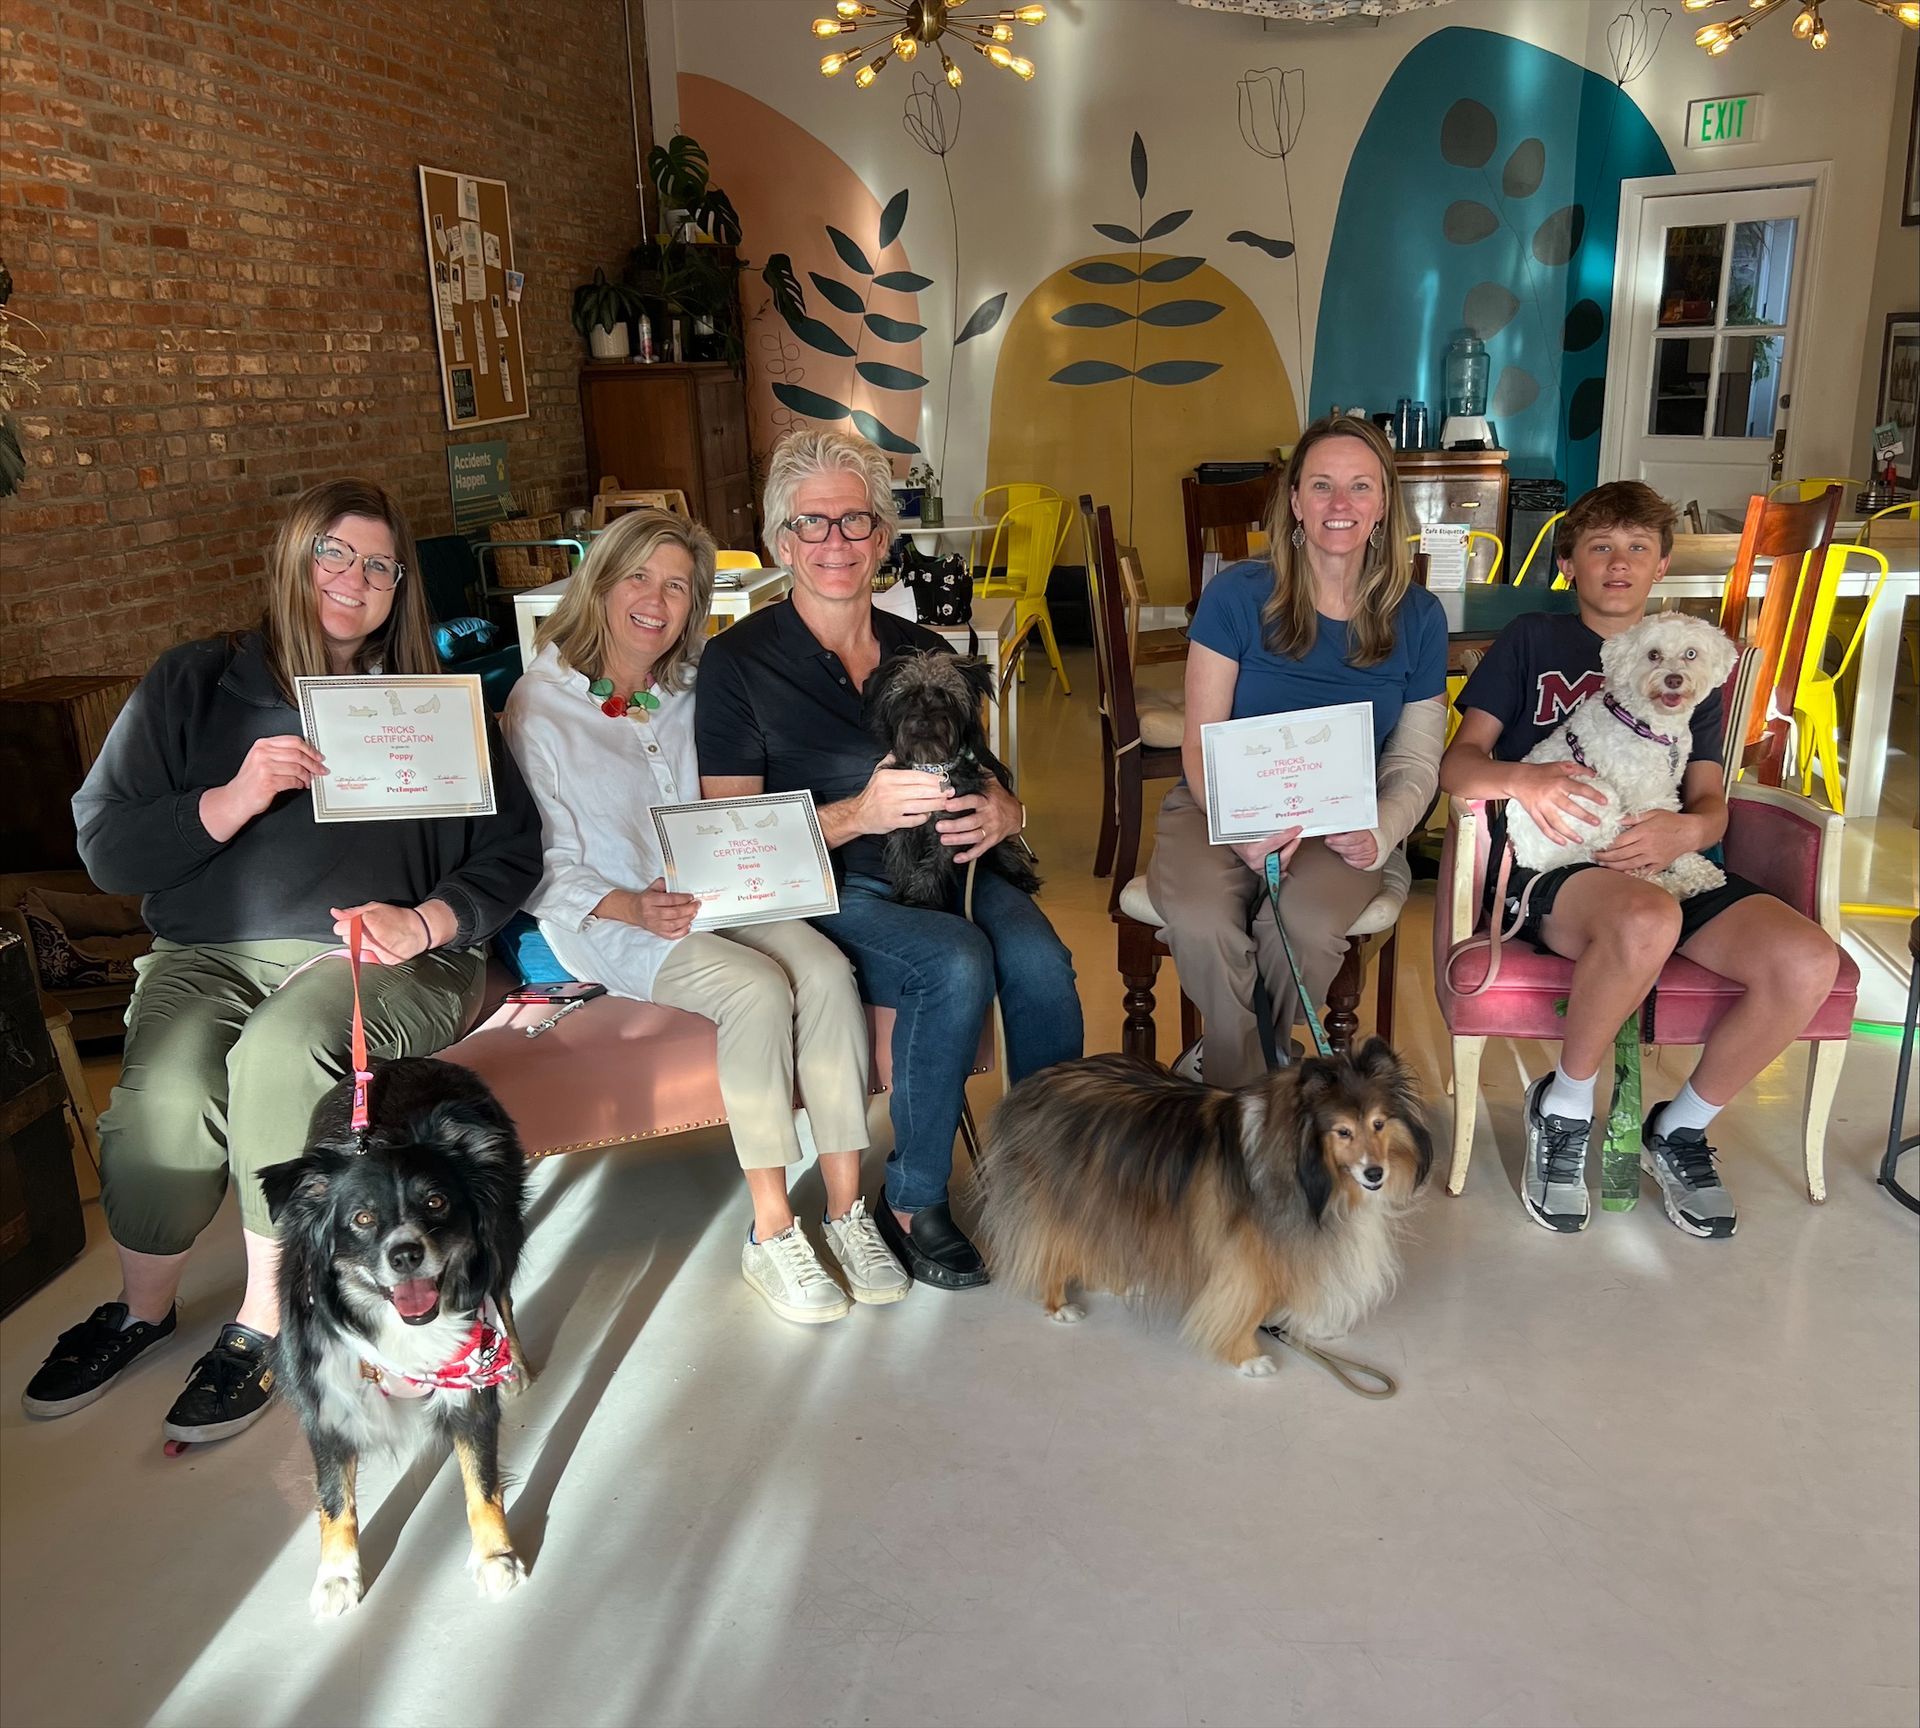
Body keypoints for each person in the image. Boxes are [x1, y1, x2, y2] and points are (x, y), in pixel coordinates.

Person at [22, 478, 542, 1443]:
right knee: (166, 1095)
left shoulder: (430, 702)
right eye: (332, 556)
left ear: (400, 587)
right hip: (209, 952)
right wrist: (231, 795)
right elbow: (103, 844)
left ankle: (266, 1322)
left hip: (388, 954)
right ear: (292, 561)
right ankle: (140, 1308)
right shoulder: (195, 681)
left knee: (278, 1054)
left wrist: (427, 921)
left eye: (379, 565)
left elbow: (514, 851)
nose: (355, 580)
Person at [696, 428, 1083, 1289]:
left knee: (1042, 961)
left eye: (856, 522)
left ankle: (1062, 1175)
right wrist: (852, 813)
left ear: (883, 537)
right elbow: (730, 836)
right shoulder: (739, 663)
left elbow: (981, 762)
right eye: (813, 524)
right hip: (827, 882)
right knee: (952, 960)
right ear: (780, 539)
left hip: (951, 861)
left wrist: (1009, 812)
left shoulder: (921, 648)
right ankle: (911, 1196)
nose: (836, 543)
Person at [502, 507, 904, 1323]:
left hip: (717, 889)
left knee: (826, 970)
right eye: (638, 578)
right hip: (611, 918)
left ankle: (845, 1211)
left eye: (678, 586)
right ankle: (770, 1229)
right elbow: (537, 866)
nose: (656, 600)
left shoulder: (691, 688)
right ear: (601, 584)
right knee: (756, 991)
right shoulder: (538, 708)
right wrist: (631, 906)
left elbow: (731, 808)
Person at [1440, 480, 1841, 1237]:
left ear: (1662, 566)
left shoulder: (1689, 661)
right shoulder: (1532, 638)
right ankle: (1562, 1112)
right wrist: (1525, 778)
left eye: (1636, 549)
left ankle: (1680, 1128)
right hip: (1563, 864)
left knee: (1806, 962)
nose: (1617, 563)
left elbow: (1712, 799)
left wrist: (1689, 834)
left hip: (1669, 854)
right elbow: (1458, 766)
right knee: (1644, 917)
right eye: (1598, 547)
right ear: (1568, 563)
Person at [1148, 414, 1448, 1089]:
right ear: (1294, 503)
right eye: (1321, 486)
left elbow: (1416, 760)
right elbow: (1199, 740)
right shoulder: (1236, 596)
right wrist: (1242, 826)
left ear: (1383, 505)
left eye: (1359, 488)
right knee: (1202, 921)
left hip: (1342, 819)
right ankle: (1261, 1087)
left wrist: (1384, 828)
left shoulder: (1420, 617)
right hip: (1217, 803)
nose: (1340, 506)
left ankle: (1228, 1080)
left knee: (1306, 928)